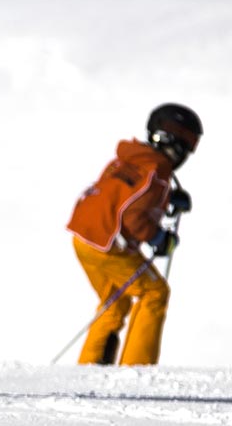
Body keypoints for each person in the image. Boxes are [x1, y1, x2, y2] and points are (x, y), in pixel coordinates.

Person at [66, 103, 201, 365]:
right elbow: (133, 216)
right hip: (108, 245)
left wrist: (167, 198)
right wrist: (159, 239)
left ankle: (89, 367)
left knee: (115, 302)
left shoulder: (128, 158)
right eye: (187, 144)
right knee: (155, 293)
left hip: (83, 238)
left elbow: (126, 193)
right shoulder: (157, 172)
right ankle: (137, 368)